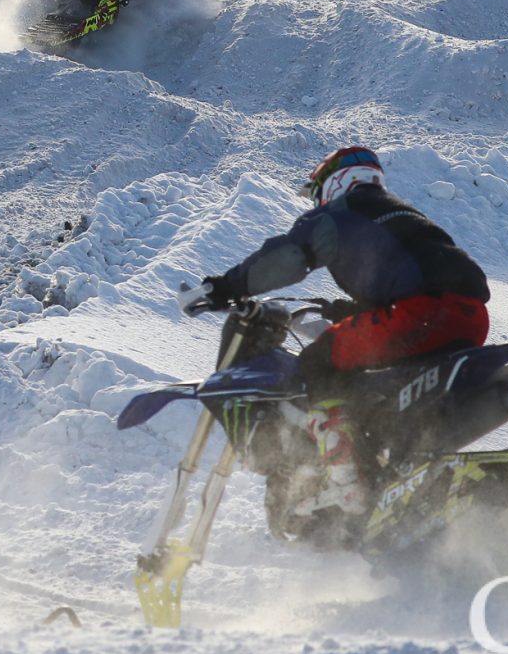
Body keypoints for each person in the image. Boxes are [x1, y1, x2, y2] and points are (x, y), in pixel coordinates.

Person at [181, 145, 491, 525]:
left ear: (335, 182)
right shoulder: (397, 213)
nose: (316, 201)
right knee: (367, 379)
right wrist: (348, 312)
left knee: (317, 364)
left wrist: (226, 288)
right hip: (469, 318)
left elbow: (289, 257)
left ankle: (348, 481)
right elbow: (414, 273)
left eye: (317, 192)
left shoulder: (342, 213)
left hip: (424, 312)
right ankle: (383, 467)